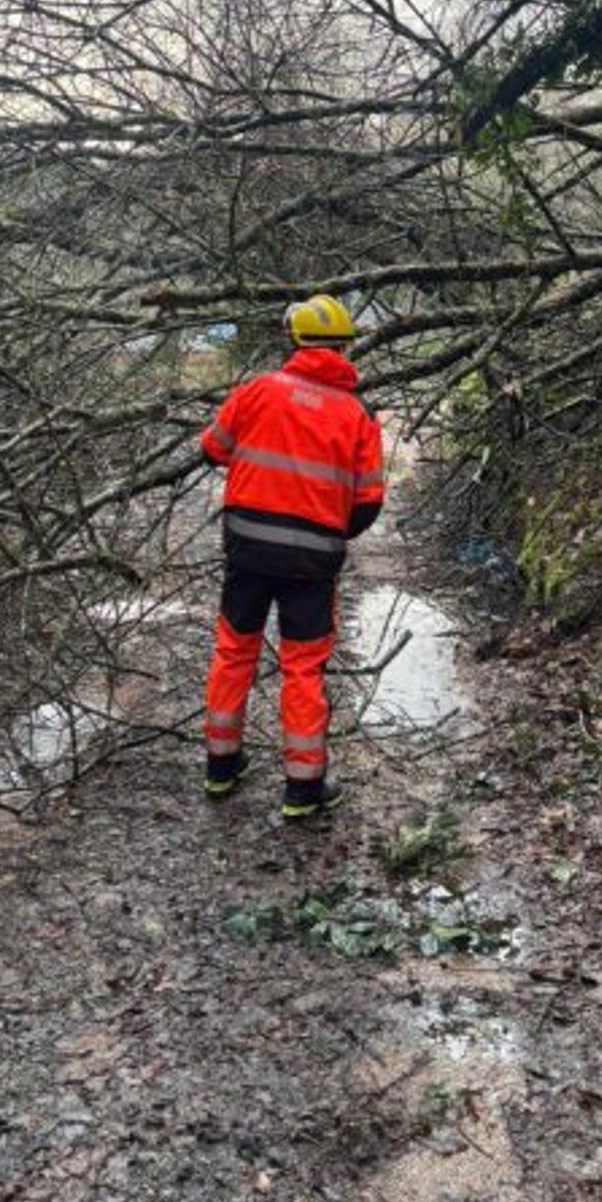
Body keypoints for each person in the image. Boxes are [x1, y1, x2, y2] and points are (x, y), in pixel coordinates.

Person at [199, 293, 384, 819]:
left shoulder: (257, 389)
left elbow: (212, 448)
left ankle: (221, 765)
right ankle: (302, 790)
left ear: (294, 340)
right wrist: (327, 530)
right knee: (303, 667)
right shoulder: (356, 414)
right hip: (313, 561)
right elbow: (369, 502)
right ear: (345, 347)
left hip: (248, 546)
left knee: (234, 651)